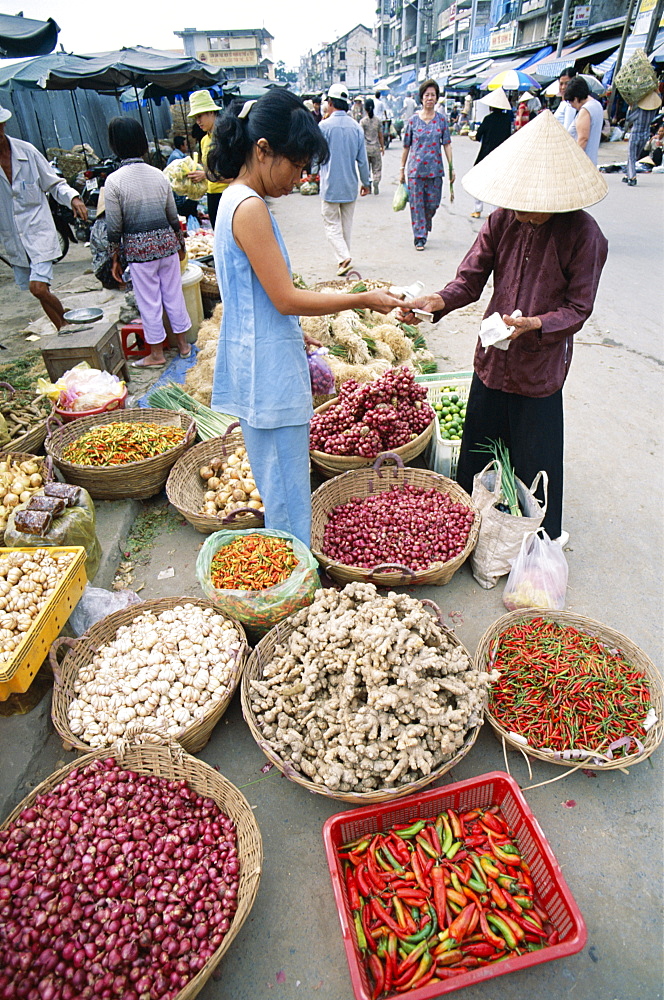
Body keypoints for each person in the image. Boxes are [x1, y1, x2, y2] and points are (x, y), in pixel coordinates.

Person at [398, 111, 608, 544]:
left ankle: (541, 539)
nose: (524, 215)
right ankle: (465, 530)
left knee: (537, 461)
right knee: (478, 449)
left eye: (533, 208)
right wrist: (437, 301)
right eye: (518, 204)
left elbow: (577, 308)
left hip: (539, 368)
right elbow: (470, 279)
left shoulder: (585, 236)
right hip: (493, 359)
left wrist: (534, 324)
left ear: (556, 199)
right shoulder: (502, 220)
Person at [205, 89, 402, 545]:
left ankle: (290, 572)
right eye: (295, 165)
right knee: (289, 496)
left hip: (261, 356)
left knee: (280, 486)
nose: (300, 178)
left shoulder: (234, 199)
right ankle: (296, 586)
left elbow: (261, 297)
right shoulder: (249, 207)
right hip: (268, 374)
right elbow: (285, 297)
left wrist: (295, 335)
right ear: (263, 150)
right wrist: (362, 298)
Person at [105, 117, 191, 368]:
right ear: (142, 143)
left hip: (140, 253)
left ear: (115, 145)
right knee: (174, 296)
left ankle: (156, 354)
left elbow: (114, 227)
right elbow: (172, 216)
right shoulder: (159, 176)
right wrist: (181, 244)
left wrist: (115, 258)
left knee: (149, 302)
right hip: (167, 247)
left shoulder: (114, 181)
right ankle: (184, 346)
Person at [0, 104, 88, 330]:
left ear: (3, 125)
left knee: (38, 287)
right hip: (14, 237)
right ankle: (64, 329)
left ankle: (68, 322)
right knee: (40, 292)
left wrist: (73, 199)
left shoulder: (26, 152)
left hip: (38, 231)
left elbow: (55, 184)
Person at [317, 83, 371, 276]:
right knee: (345, 225)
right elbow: (362, 161)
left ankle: (343, 257)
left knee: (331, 223)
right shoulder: (356, 127)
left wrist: (314, 172)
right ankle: (344, 258)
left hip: (330, 184)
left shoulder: (323, 127)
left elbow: (317, 155)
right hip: (350, 185)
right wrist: (366, 183)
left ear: (330, 102)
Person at [399, 78, 455, 251]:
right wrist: (401, 169)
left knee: (432, 203)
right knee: (417, 205)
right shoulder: (413, 121)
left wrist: (451, 167)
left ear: (437, 98)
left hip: (435, 170)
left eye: (433, 95)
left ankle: (425, 222)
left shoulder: (441, 121)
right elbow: (406, 146)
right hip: (415, 170)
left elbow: (446, 144)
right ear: (421, 98)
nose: (430, 98)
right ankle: (420, 236)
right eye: (427, 95)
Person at [187, 90, 228, 228]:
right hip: (212, 196)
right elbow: (208, 169)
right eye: (195, 118)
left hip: (227, 193)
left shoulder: (226, 137)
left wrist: (205, 175)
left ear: (211, 112)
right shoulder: (204, 141)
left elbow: (235, 173)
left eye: (200, 116)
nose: (198, 121)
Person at [469, 88, 512, 218]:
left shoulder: (488, 119)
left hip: (485, 154)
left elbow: (477, 136)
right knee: (496, 183)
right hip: (501, 155)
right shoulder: (506, 121)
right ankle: (493, 212)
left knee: (479, 182)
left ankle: (477, 209)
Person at [623, 89, 662, 185]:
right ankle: (628, 174)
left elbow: (628, 118)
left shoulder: (639, 111)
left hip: (636, 133)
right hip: (645, 134)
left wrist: (630, 108)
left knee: (632, 155)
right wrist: (657, 92)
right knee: (635, 156)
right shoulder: (652, 112)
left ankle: (632, 177)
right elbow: (658, 101)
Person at [565, 76, 604, 165]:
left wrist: (573, 160)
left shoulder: (585, 110)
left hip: (582, 163)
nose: (571, 106)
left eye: (571, 102)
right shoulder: (597, 105)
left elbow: (583, 139)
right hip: (591, 161)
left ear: (576, 98)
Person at [167, 134, 200, 221]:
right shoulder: (177, 158)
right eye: (185, 144)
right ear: (181, 146)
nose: (187, 147)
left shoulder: (180, 155)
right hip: (179, 195)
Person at [360, 97, 384, 195]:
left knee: (367, 169)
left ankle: (368, 185)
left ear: (365, 109)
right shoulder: (378, 121)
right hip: (375, 148)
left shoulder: (363, 122)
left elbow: (360, 136)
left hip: (366, 148)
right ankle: (376, 180)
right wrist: (382, 147)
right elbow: (380, 135)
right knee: (377, 167)